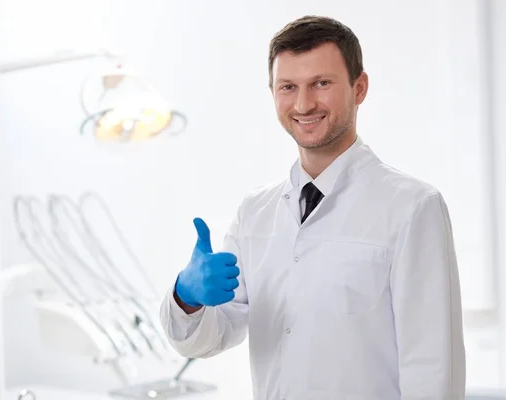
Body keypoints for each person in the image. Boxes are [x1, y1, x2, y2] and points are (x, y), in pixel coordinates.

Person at [159, 15, 466, 400]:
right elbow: (209, 340)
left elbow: (432, 367)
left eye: (321, 83)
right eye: (288, 86)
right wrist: (188, 298)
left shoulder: (412, 207)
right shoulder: (255, 212)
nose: (304, 104)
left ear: (359, 88)